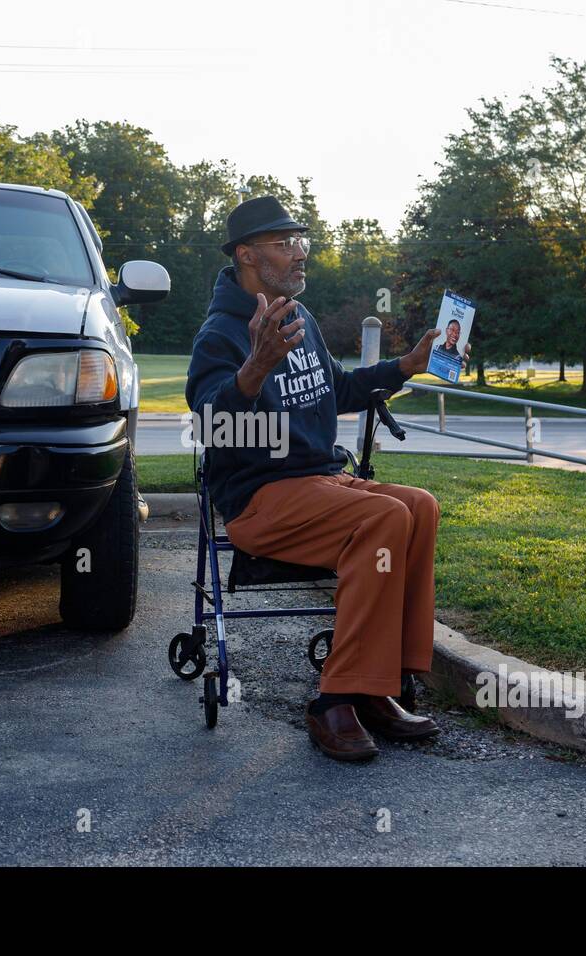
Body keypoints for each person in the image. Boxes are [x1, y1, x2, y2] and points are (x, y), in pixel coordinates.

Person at [186, 196, 442, 762]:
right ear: (248, 255)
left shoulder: (298, 318)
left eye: (302, 241)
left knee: (419, 505)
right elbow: (208, 423)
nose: (301, 253)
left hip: (320, 483)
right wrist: (254, 368)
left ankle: (380, 685)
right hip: (260, 497)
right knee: (385, 514)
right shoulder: (222, 333)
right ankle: (334, 699)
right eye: (286, 243)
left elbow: (340, 390)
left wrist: (406, 366)